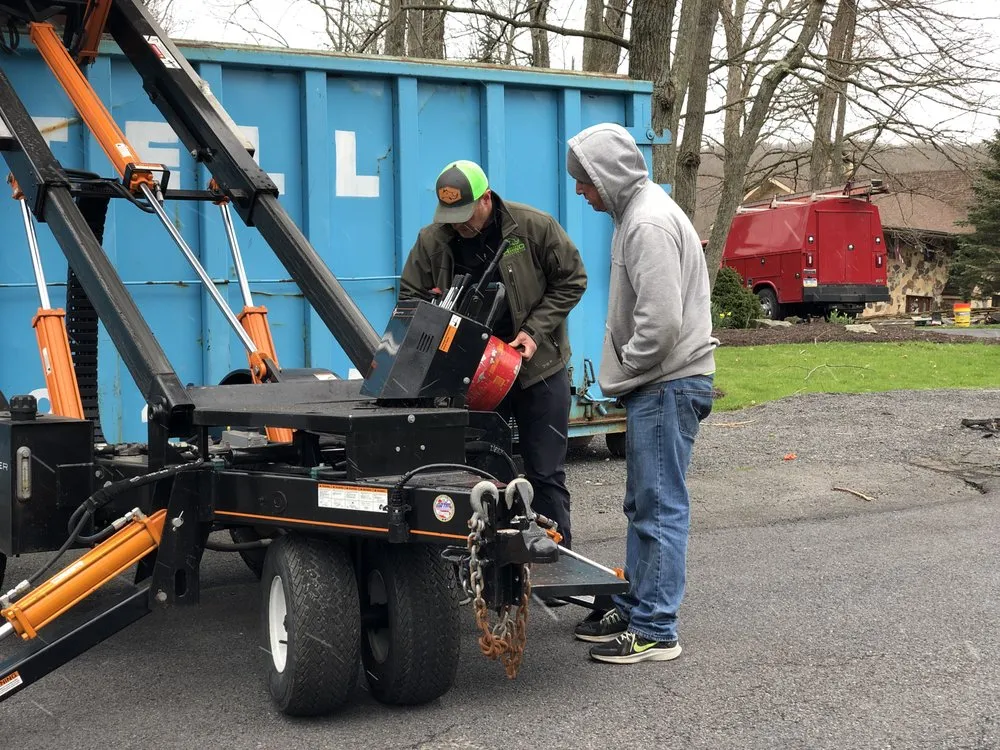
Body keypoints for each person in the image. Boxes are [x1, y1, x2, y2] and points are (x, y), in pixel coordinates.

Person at [565, 123, 718, 664]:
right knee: (644, 504)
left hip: (665, 383)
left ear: (607, 176)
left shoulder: (647, 222)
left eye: (585, 181)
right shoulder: (636, 213)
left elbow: (661, 321)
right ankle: (637, 608)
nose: (581, 191)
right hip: (662, 384)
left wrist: (627, 367)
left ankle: (655, 630)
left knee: (659, 507)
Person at [399, 159, 587, 550]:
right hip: (473, 378)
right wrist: (434, 312)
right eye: (450, 217)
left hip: (537, 369)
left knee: (545, 474)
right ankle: (486, 564)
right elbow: (409, 299)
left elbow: (572, 279)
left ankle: (557, 559)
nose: (458, 225)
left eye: (465, 215)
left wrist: (534, 332)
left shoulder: (533, 227)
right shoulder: (432, 240)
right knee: (480, 475)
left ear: (486, 199)